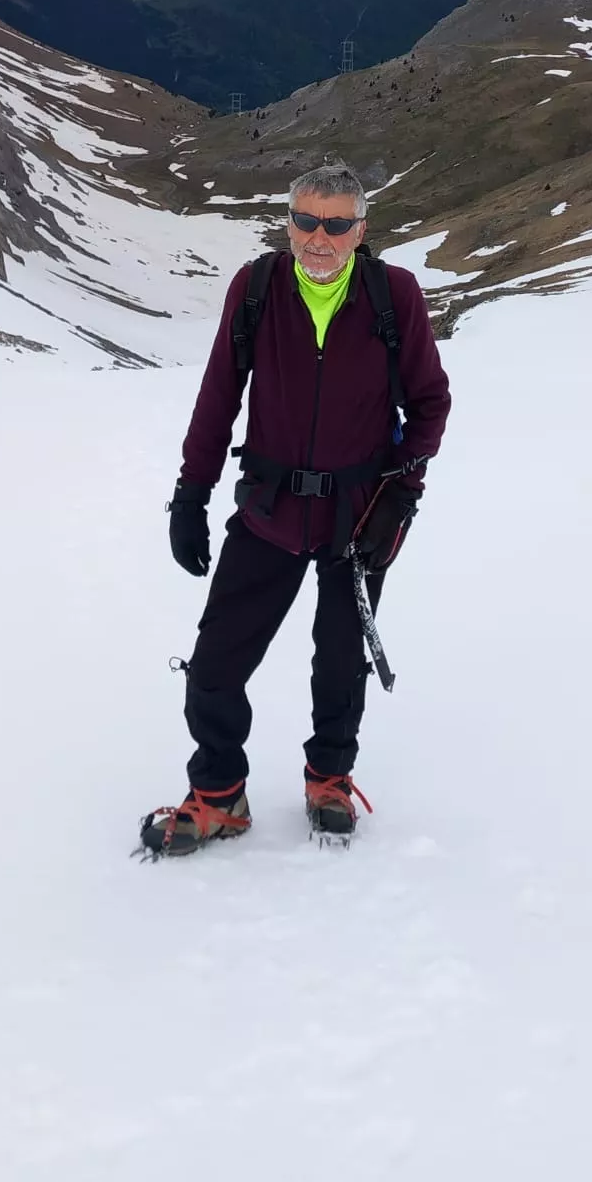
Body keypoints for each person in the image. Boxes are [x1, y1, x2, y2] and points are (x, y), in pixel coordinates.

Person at [139, 164, 452, 856]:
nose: (319, 237)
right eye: (306, 221)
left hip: (360, 518)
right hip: (269, 508)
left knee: (341, 661)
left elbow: (430, 403)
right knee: (217, 661)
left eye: (337, 224)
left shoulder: (391, 295)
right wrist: (191, 494)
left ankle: (329, 780)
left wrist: (400, 498)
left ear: (360, 232)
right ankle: (220, 795)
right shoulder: (257, 289)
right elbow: (219, 394)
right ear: (288, 224)